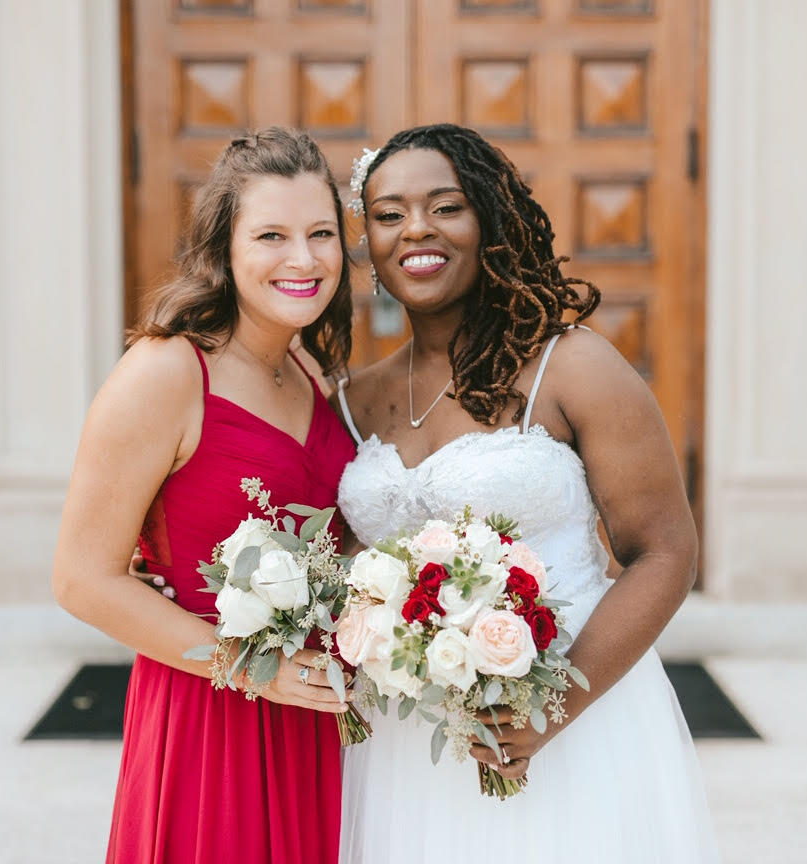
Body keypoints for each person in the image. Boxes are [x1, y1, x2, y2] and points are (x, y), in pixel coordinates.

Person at [333, 124, 719, 861]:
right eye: (388, 214)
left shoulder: (573, 367)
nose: (416, 228)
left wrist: (550, 710)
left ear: (491, 221)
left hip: (569, 720)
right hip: (401, 743)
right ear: (371, 245)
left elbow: (665, 553)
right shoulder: (357, 396)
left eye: (446, 206)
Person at [52, 127, 357, 864]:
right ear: (224, 248)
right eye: (272, 235)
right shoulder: (167, 372)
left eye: (321, 233)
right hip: (208, 713)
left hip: (306, 714)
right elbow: (80, 580)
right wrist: (253, 666)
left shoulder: (310, 371)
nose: (303, 258)